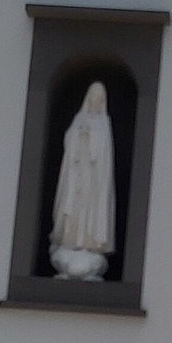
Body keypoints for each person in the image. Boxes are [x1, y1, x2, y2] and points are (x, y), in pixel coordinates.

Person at [50, 81, 116, 279]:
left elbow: (104, 155)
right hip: (78, 174)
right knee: (74, 208)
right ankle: (71, 240)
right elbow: (69, 142)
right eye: (94, 95)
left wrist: (92, 139)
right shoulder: (79, 119)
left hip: (93, 180)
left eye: (99, 96)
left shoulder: (104, 123)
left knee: (90, 211)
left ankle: (89, 243)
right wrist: (80, 136)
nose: (96, 99)